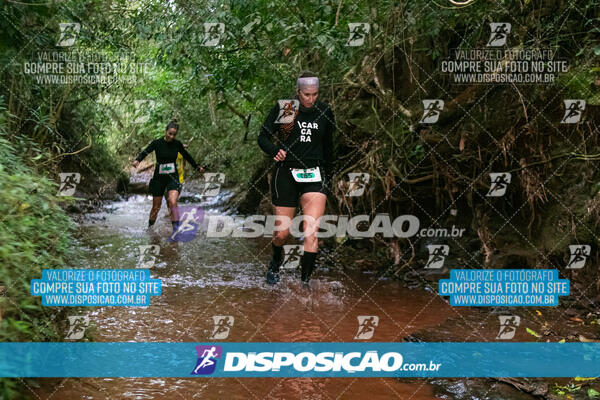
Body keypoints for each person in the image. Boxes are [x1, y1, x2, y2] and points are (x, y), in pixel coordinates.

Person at [258, 72, 336, 285]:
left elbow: (328, 147)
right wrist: (275, 150)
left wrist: (329, 176)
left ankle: (305, 283)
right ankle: (276, 259)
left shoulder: (324, 112)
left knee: (311, 234)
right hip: (286, 174)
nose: (311, 99)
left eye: (315, 94)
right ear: (298, 92)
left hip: (314, 175)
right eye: (306, 95)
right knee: (282, 233)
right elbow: (263, 136)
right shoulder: (288, 109)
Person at [132, 119, 203, 230]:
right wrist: (137, 160)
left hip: (172, 178)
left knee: (172, 201)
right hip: (159, 179)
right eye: (170, 134)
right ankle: (150, 229)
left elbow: (187, 156)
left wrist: (197, 167)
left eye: (174, 135)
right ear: (165, 132)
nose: (171, 137)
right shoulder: (157, 143)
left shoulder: (177, 144)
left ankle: (176, 230)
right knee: (156, 207)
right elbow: (146, 151)